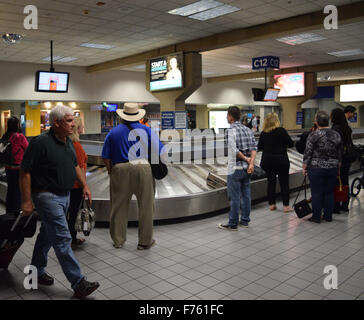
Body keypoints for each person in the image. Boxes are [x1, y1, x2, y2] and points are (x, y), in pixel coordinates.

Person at [20, 105, 100, 298]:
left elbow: (75, 167)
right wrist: (26, 201)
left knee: (47, 235)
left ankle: (36, 271)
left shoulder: (67, 142)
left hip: (64, 196)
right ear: (56, 122)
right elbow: (25, 171)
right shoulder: (40, 142)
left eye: (73, 120)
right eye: (69, 120)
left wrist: (85, 187)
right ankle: (78, 282)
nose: (74, 124)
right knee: (63, 238)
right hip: (46, 196)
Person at [102, 103, 165, 249]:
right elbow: (160, 151)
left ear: (122, 116)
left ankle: (118, 240)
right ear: (138, 116)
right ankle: (145, 242)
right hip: (142, 167)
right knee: (146, 206)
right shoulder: (147, 130)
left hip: (120, 168)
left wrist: (111, 170)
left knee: (118, 206)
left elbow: (106, 156)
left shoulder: (113, 133)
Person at [218, 106, 257, 230]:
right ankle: (245, 220)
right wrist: (250, 163)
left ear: (230, 116)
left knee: (234, 197)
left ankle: (233, 223)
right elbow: (254, 148)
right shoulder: (247, 129)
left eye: (227, 115)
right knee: (246, 195)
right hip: (247, 169)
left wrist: (245, 159)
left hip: (235, 168)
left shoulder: (230, 131)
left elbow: (233, 150)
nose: (226, 117)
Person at [303, 111, 342, 223]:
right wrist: (338, 168)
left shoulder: (314, 134)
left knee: (316, 193)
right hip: (332, 167)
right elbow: (340, 154)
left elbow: (308, 152)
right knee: (329, 192)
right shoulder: (336, 134)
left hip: (316, 168)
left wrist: (304, 167)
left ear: (316, 122)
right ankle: (328, 216)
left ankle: (316, 217)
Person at [258, 112, 294, 212]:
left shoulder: (264, 133)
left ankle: (272, 204)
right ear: (277, 121)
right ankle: (286, 206)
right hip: (281, 161)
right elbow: (291, 143)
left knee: (271, 183)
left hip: (268, 161)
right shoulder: (282, 131)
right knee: (284, 183)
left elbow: (260, 147)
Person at [1, 116, 28, 215]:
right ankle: (16, 213)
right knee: (18, 190)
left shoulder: (5, 136)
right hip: (18, 168)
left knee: (11, 189)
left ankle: (9, 211)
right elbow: (28, 150)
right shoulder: (19, 137)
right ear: (17, 125)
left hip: (8, 168)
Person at [67, 117, 87, 246]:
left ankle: (68, 238)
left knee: (68, 213)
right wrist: (84, 186)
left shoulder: (66, 144)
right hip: (75, 185)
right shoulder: (77, 146)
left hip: (67, 184)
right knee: (73, 213)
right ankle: (72, 239)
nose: (82, 129)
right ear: (77, 129)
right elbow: (79, 167)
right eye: (81, 127)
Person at [331, 108, 353, 213]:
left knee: (336, 182)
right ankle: (345, 204)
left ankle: (336, 206)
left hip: (337, 159)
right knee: (345, 181)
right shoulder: (347, 128)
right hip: (347, 158)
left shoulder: (335, 129)